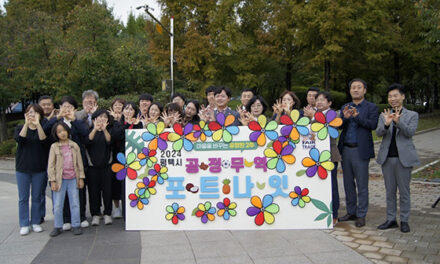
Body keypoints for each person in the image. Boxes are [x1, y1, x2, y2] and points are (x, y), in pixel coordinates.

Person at [376, 84, 419, 233]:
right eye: (390, 96)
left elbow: (410, 132)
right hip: (387, 158)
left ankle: (404, 220)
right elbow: (379, 133)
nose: (392, 99)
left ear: (402, 97)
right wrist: (387, 124)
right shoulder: (384, 114)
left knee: (404, 192)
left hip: (404, 159)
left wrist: (397, 122)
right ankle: (391, 219)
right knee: (390, 191)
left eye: (395, 96)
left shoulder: (412, 115)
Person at [43, 96, 90, 230]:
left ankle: (80, 217)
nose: (67, 109)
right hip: (59, 164)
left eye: (70, 107)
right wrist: (57, 118)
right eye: (64, 106)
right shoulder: (56, 122)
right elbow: (45, 130)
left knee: (78, 193)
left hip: (76, 162)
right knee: (60, 194)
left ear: (75, 109)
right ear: (60, 108)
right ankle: (65, 219)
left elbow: (85, 133)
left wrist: (74, 120)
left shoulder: (78, 121)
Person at [338, 78, 378, 228]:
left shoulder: (371, 107)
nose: (355, 90)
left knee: (362, 184)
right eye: (353, 87)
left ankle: (361, 215)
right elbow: (339, 125)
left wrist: (357, 116)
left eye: (359, 87)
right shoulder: (345, 106)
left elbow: (372, 125)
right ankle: (351, 211)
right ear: (350, 91)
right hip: (346, 149)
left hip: (361, 151)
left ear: (364, 90)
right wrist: (345, 118)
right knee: (348, 184)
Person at [14, 104, 48, 235]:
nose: (32, 115)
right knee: (23, 198)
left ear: (40, 114)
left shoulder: (43, 128)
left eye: (34, 112)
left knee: (37, 196)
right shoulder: (19, 128)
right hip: (22, 168)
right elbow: (20, 139)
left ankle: (35, 222)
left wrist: (37, 124)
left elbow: (43, 141)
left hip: (39, 168)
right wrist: (27, 124)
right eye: (29, 112)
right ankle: (24, 223)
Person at [48, 122, 85, 237]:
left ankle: (76, 225)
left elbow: (79, 163)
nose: (62, 133)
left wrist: (81, 178)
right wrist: (52, 180)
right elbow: (51, 165)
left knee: (75, 203)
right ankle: (58, 226)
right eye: (59, 131)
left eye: (64, 130)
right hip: (60, 179)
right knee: (58, 204)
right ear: (56, 134)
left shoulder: (74, 145)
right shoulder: (54, 146)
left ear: (68, 131)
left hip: (73, 178)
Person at [314, 91, 342, 225]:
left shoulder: (333, 115)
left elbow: (330, 129)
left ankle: (334, 214)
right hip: (316, 157)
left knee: (332, 186)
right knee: (319, 185)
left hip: (330, 154)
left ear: (329, 103)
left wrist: (313, 116)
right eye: (317, 100)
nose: (319, 102)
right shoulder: (315, 115)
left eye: (322, 100)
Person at [85, 109, 115, 226]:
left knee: (107, 191)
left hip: (107, 166)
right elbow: (87, 141)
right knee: (93, 192)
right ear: (94, 119)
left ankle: (107, 213)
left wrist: (104, 130)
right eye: (99, 117)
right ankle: (95, 214)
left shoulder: (109, 131)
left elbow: (110, 142)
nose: (102, 119)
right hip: (92, 167)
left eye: (104, 117)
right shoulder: (89, 130)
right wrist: (95, 129)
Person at [108, 98, 125, 219]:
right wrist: (114, 120)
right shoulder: (109, 120)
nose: (118, 107)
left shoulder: (129, 119)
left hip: (127, 155)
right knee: (115, 183)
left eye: (121, 105)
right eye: (116, 105)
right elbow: (113, 136)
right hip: (114, 155)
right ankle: (116, 207)